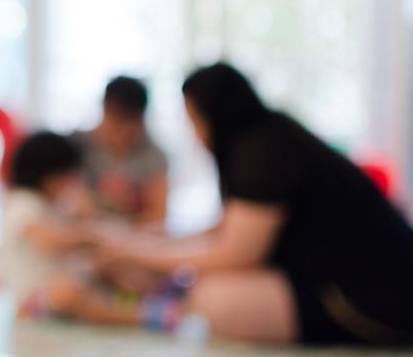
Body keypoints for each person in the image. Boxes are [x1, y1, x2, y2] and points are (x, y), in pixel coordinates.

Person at [38, 62, 413, 346]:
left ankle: (140, 309)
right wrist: (145, 246)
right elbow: (226, 230)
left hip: (367, 299)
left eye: (195, 122)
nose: (196, 136)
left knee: (213, 297)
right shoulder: (265, 138)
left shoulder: (261, 152)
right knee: (202, 281)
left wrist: (139, 251)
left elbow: (235, 251)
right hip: (344, 277)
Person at [0, 130, 91, 302]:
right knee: (72, 294)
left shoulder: (46, 204)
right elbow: (49, 240)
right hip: (32, 294)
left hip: (35, 278)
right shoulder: (23, 203)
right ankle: (130, 316)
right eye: (67, 178)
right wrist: (88, 236)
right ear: (49, 178)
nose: (70, 185)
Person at [71, 76, 168, 227]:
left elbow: (158, 217)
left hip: (128, 243)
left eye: (131, 123)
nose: (124, 132)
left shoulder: (153, 156)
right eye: (117, 121)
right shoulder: (78, 145)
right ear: (104, 110)